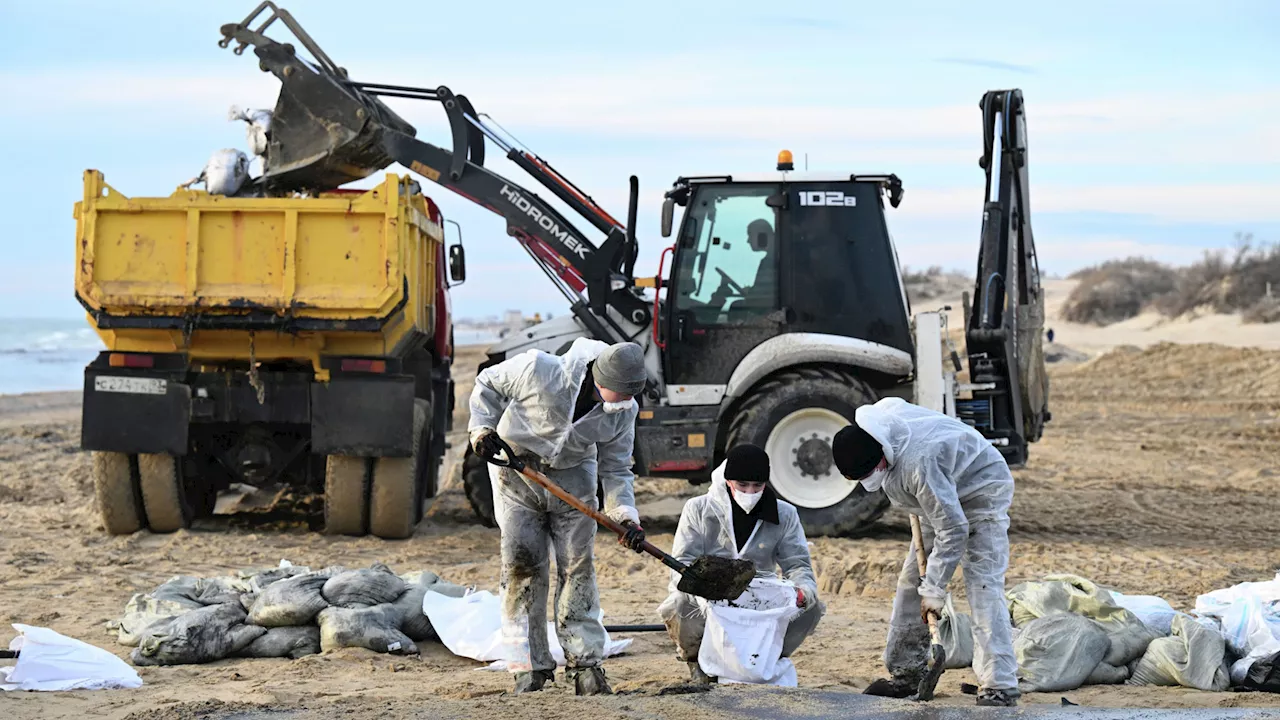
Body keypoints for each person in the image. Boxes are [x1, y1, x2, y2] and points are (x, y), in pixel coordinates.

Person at [469, 338, 649, 695]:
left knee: (577, 567)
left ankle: (585, 663)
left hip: (574, 477)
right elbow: (486, 383)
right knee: (523, 566)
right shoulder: (538, 370)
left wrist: (624, 514)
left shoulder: (624, 410)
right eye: (618, 394)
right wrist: (482, 429)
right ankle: (527, 666)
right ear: (598, 379)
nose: (623, 404)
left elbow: (617, 468)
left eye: (629, 397)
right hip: (515, 473)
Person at [831, 397, 1019, 707]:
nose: (867, 481)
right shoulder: (879, 425)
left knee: (982, 586)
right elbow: (937, 510)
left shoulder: (919, 463)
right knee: (909, 582)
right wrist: (924, 583)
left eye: (868, 473)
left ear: (881, 455)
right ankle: (908, 672)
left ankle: (1000, 685)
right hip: (936, 493)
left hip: (980, 489)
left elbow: (955, 528)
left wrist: (934, 589)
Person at [657, 443, 823, 684]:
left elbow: (798, 564)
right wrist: (702, 590)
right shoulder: (699, 509)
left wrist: (803, 591)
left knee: (811, 608)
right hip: (708, 594)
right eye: (742, 485)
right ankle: (696, 664)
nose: (750, 492)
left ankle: (770, 656)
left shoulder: (784, 514)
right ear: (728, 481)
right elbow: (682, 562)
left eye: (757, 486)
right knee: (681, 602)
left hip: (758, 595)